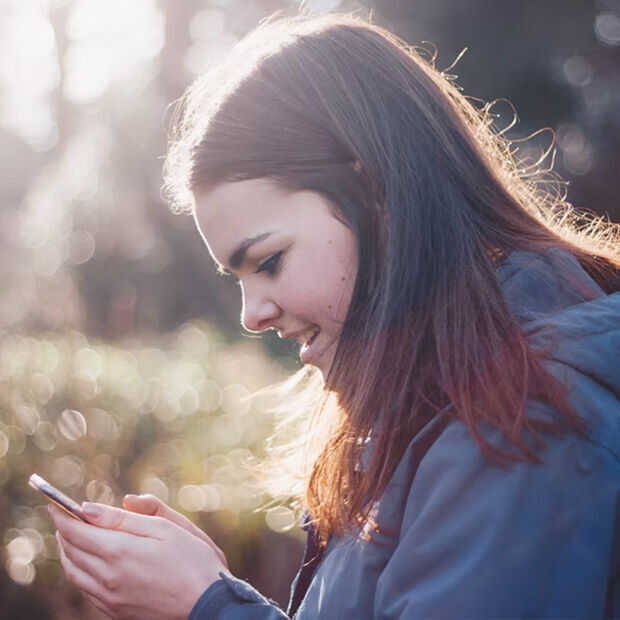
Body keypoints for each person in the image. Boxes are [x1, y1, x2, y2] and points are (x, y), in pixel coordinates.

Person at [48, 12, 620, 620]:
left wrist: (208, 606)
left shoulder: (525, 413)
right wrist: (212, 591)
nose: (251, 315)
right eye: (237, 278)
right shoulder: (442, 400)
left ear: (376, 195)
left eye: (268, 262)